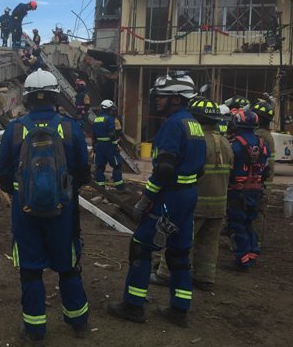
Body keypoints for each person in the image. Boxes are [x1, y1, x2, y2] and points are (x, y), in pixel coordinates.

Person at [0, 69, 91, 345]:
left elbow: (3, 174)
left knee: (30, 269)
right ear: (55, 96)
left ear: (27, 98)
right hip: (63, 211)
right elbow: (83, 172)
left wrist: (23, 194)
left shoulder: (14, 129)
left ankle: (35, 330)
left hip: (25, 213)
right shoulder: (70, 127)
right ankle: (79, 323)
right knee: (68, 267)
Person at [107, 72, 206, 328]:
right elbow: (201, 168)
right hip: (188, 197)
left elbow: (163, 170)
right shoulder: (194, 125)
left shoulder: (173, 125)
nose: (157, 100)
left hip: (168, 199)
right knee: (179, 254)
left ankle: (133, 305)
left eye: (162, 96)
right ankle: (179, 309)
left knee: (141, 248)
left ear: (175, 99)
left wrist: (146, 198)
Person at [150, 98, 233, 291]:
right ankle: (204, 277)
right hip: (219, 204)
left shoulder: (197, 141)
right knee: (209, 242)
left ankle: (165, 273)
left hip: (196, 201)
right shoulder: (225, 142)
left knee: (176, 237)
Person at [226, 108, 270, 270]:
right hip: (255, 190)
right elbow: (266, 168)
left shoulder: (235, 145)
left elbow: (229, 169)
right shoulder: (261, 143)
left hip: (238, 192)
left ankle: (242, 260)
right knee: (249, 222)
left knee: (237, 224)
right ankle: (252, 254)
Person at [250, 101, 276, 243]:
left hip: (261, 181)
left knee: (256, 212)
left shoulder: (259, 134)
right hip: (266, 181)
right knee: (260, 211)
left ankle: (255, 242)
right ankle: (256, 241)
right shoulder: (267, 134)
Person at [92, 99, 125, 192]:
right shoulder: (109, 119)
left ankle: (100, 188)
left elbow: (93, 135)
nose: (112, 111)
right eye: (111, 109)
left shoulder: (96, 119)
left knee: (100, 167)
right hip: (109, 146)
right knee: (117, 165)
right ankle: (120, 188)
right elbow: (112, 134)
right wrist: (116, 146)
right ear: (107, 109)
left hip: (99, 146)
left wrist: (94, 147)